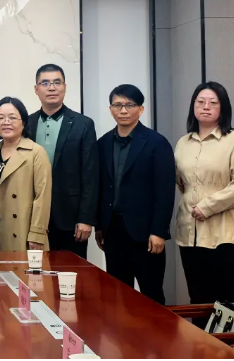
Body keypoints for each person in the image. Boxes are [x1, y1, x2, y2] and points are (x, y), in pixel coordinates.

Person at [175, 82, 234, 319]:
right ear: (193, 106)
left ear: (223, 107)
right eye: (200, 102)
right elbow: (182, 184)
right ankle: (200, 343)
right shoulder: (183, 143)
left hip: (226, 233)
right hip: (190, 233)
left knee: (225, 301)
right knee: (197, 300)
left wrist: (207, 206)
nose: (206, 107)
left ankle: (223, 344)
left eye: (213, 102)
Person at [95, 84, 175, 305]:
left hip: (146, 234)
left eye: (129, 105)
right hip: (113, 231)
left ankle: (157, 330)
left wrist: (158, 231)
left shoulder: (157, 143)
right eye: (117, 105)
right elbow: (101, 187)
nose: (123, 110)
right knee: (118, 295)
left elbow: (165, 191)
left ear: (141, 109)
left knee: (151, 294)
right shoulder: (103, 143)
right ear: (111, 109)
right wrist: (99, 225)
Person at [27, 63, 98, 259]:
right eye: (45, 83)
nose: (51, 88)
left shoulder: (83, 124)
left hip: (70, 217)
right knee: (34, 272)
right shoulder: (27, 124)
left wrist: (86, 218)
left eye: (57, 82)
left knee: (71, 273)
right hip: (32, 216)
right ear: (36, 89)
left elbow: (90, 175)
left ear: (65, 87)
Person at [0, 97, 52, 252]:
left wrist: (37, 234)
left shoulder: (36, 152)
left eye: (12, 118)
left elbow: (42, 197)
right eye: (0, 118)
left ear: (24, 122)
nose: (6, 122)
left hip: (23, 233)